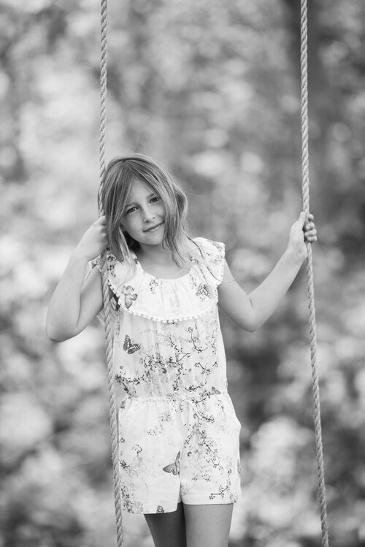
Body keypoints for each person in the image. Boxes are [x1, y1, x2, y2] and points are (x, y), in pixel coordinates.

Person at [46, 153, 317, 547]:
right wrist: (80, 256)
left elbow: (252, 314)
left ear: (171, 196)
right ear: (117, 222)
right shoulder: (117, 270)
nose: (148, 215)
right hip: (149, 431)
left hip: (209, 423)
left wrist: (294, 255)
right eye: (131, 210)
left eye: (154, 199)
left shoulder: (204, 257)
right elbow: (59, 327)